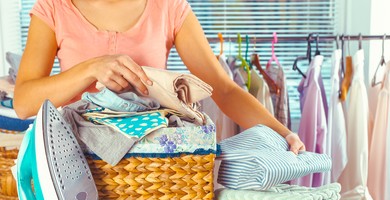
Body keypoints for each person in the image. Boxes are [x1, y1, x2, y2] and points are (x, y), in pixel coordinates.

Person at [13, 0, 305, 154]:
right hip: (76, 160)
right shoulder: (54, 7)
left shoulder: (168, 7)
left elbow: (224, 90)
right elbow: (24, 103)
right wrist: (91, 67)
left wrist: (284, 133)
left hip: (151, 171)